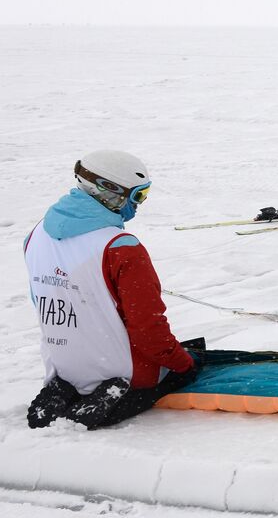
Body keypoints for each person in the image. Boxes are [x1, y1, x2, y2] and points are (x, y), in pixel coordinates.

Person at [23, 150, 201, 429]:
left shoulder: (36, 235)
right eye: (137, 196)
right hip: (122, 369)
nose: (139, 205)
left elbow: (43, 303)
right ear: (111, 191)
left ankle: (70, 386)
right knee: (184, 365)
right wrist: (184, 364)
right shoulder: (122, 247)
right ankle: (116, 395)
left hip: (63, 365)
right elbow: (147, 328)